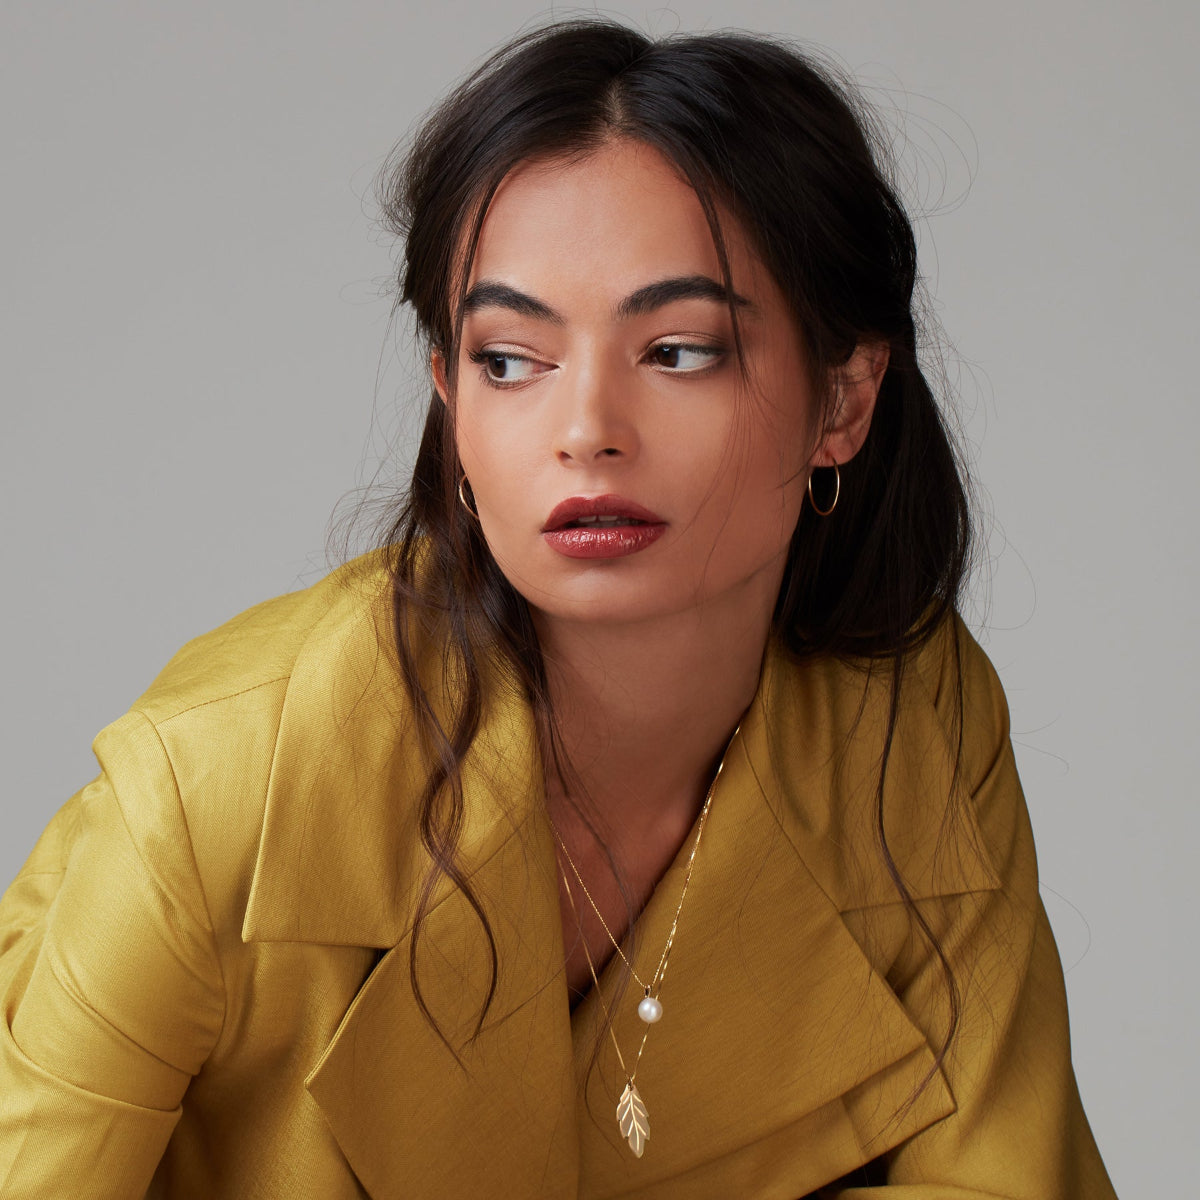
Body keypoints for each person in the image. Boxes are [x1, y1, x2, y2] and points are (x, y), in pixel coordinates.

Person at [0, 17, 1117, 1199]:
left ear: (843, 397)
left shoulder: (914, 726)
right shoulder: (220, 784)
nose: (586, 427)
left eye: (679, 350)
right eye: (511, 359)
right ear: (451, 403)